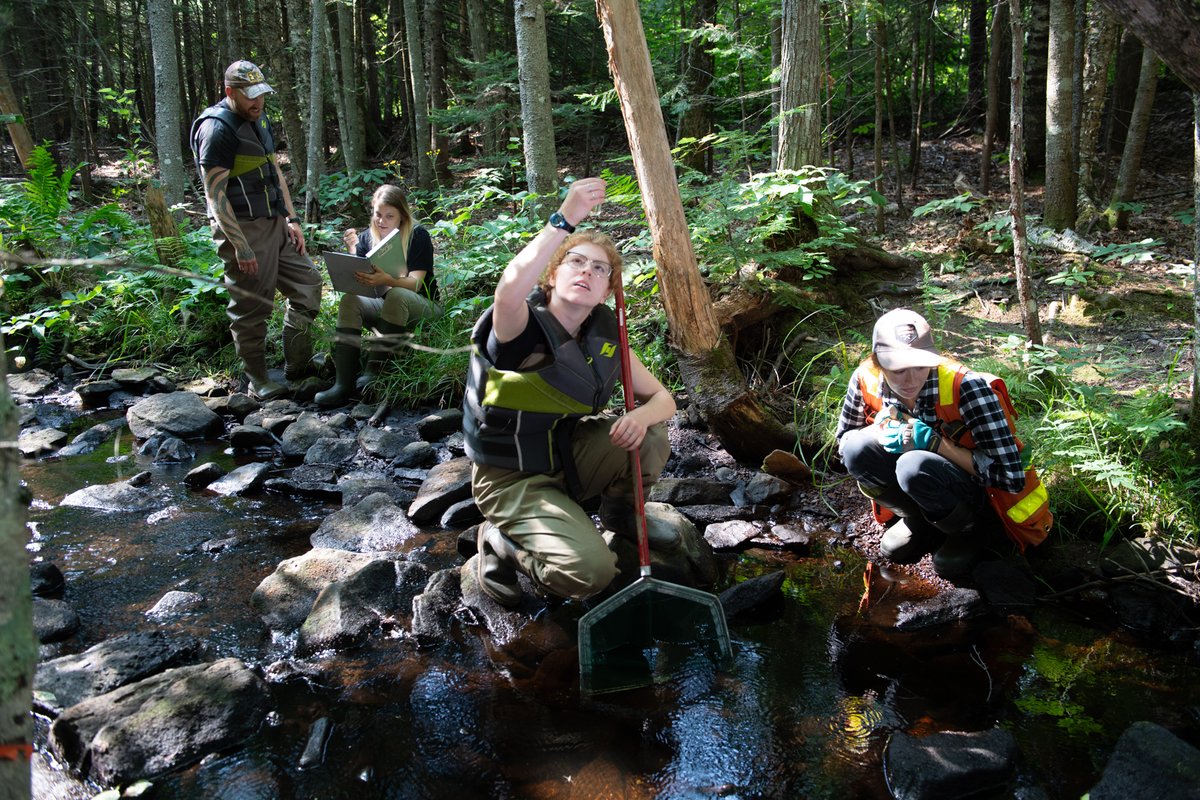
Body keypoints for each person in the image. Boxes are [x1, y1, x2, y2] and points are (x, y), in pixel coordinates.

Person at [461, 178, 676, 608]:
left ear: (608, 289)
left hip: (564, 457)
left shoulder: (605, 336)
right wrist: (564, 220)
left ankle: (620, 519)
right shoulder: (521, 328)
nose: (587, 272)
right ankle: (502, 542)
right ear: (553, 273)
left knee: (650, 435)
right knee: (591, 574)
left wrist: (639, 417)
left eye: (600, 269)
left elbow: (664, 400)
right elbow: (509, 289)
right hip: (511, 478)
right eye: (576, 262)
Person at [835, 308, 1050, 577]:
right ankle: (919, 519)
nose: (911, 380)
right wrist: (880, 429)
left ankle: (968, 531)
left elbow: (1010, 476)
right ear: (879, 363)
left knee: (914, 464)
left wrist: (936, 444)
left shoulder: (968, 389)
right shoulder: (865, 377)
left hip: (978, 495)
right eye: (898, 370)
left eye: (920, 366)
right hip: (925, 488)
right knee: (858, 448)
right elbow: (844, 442)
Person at [190, 60, 323, 401]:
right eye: (250, 96)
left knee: (308, 283)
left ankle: (296, 368)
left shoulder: (258, 117)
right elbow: (215, 195)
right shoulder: (216, 129)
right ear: (229, 92)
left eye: (261, 95)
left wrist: (291, 220)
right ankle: (258, 379)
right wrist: (241, 246)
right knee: (252, 307)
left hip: (275, 222)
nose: (257, 102)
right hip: (243, 229)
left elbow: (273, 170)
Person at [315, 184, 440, 407]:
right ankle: (343, 384)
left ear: (402, 216)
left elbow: (416, 284)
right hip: (385, 307)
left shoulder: (417, 235)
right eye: (378, 214)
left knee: (398, 294)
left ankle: (373, 372)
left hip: (423, 307)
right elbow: (363, 281)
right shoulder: (366, 238)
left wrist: (388, 280)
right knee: (350, 300)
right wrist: (353, 255)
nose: (382, 221)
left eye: (389, 216)